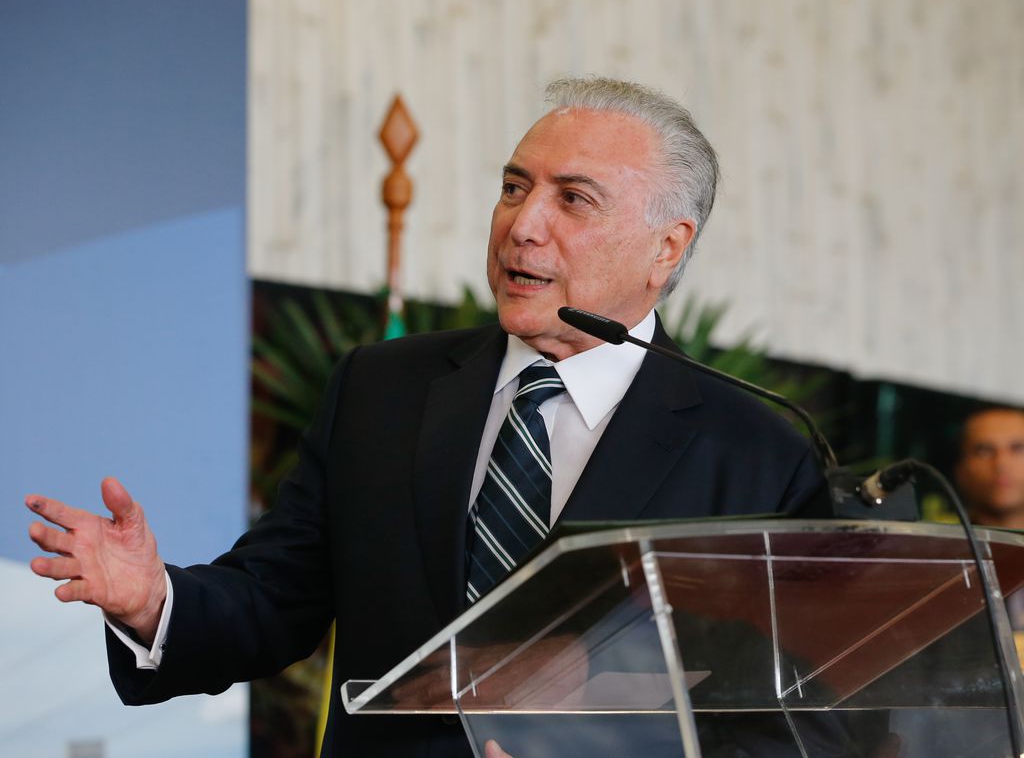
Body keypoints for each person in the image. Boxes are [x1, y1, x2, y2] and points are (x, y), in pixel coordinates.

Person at [26, 77, 829, 757]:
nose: (523, 225)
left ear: (667, 248)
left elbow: (789, 722)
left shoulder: (757, 457)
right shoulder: (383, 388)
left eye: (573, 199)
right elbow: (275, 598)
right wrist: (153, 603)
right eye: (514, 187)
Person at [955, 406, 1024, 530]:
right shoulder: (930, 541)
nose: (1001, 463)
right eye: (984, 451)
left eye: (1018, 448)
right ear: (961, 471)